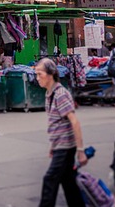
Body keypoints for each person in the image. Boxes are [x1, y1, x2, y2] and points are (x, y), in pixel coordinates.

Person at [34, 57, 87, 207]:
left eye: (40, 74)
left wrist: (81, 150)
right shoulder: (49, 93)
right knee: (68, 181)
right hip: (60, 146)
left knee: (50, 179)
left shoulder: (60, 94)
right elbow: (56, 123)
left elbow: (74, 122)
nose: (37, 78)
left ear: (50, 74)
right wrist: (53, 146)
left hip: (65, 147)